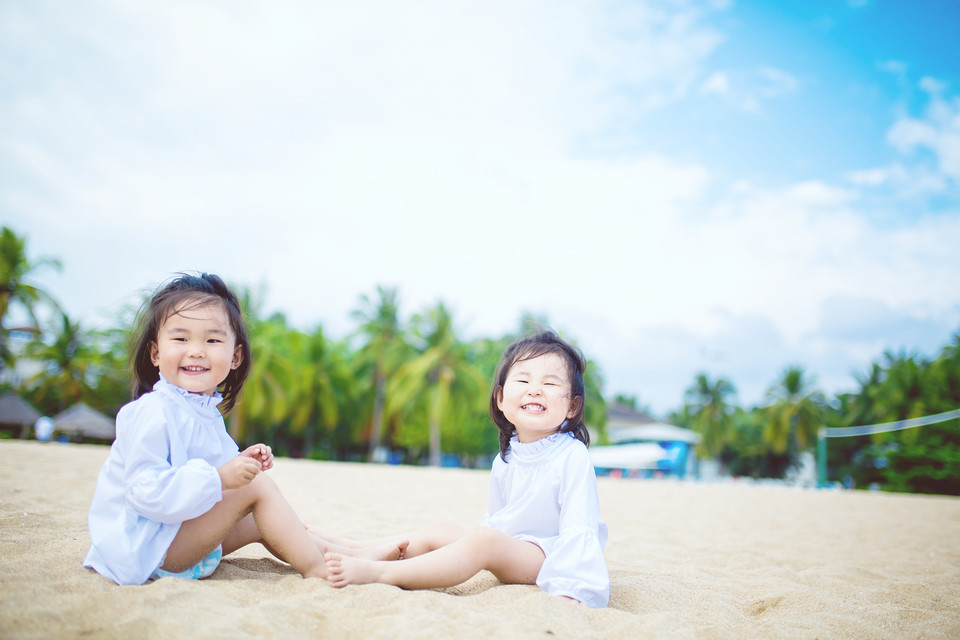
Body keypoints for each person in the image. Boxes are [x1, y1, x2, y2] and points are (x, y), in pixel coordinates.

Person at [84, 272, 404, 585]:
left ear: (235, 356)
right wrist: (222, 477)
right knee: (257, 490)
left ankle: (352, 553)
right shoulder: (153, 411)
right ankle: (319, 571)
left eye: (212, 340)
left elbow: (219, 477)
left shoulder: (204, 413)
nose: (196, 350)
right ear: (155, 352)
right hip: (146, 550)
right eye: (180, 338)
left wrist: (243, 462)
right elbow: (144, 492)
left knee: (266, 521)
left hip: (173, 537)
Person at [324, 330, 610, 607]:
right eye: (523, 380)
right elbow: (499, 519)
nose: (534, 390)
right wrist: (472, 542)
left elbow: (579, 527)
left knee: (484, 541)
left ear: (572, 406)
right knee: (441, 529)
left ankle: (381, 573)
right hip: (509, 546)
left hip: (548, 557)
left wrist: (574, 587)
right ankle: (355, 549)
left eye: (550, 384)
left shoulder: (572, 455)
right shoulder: (506, 458)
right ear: (500, 398)